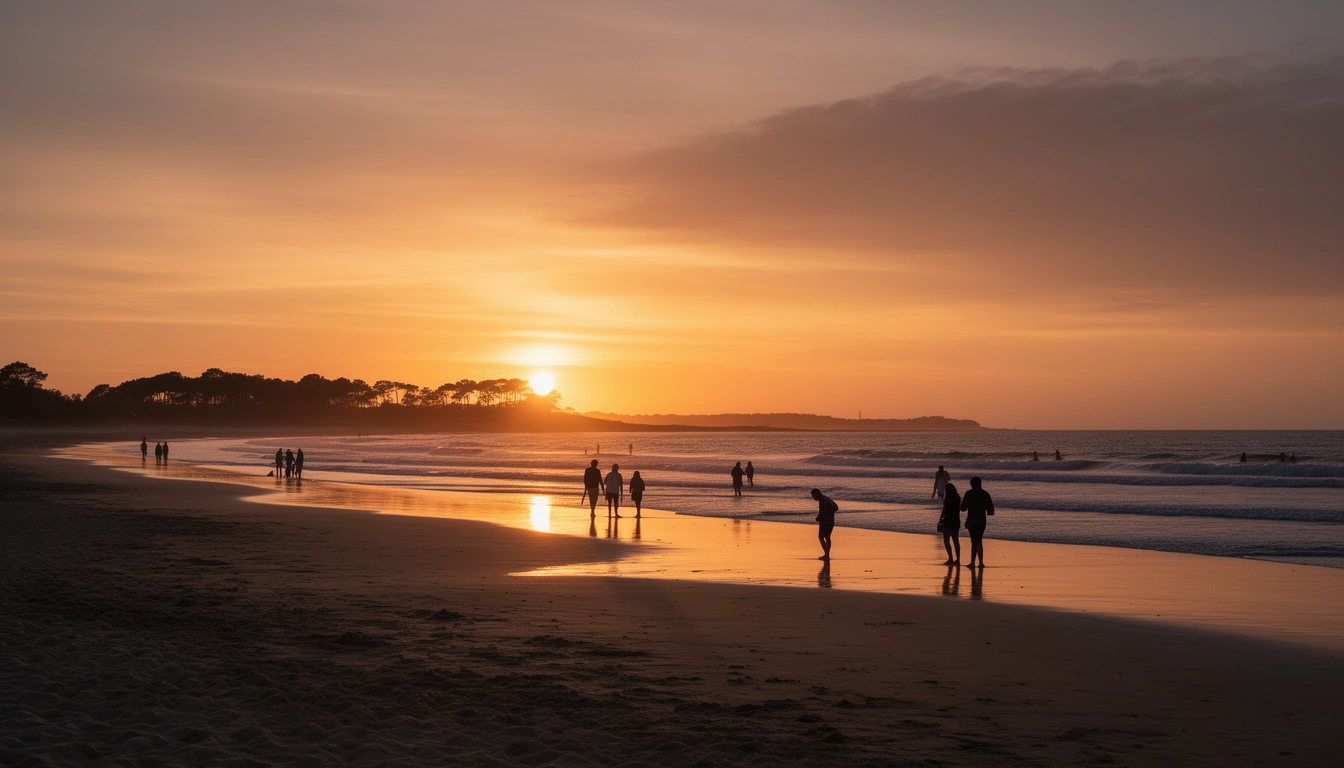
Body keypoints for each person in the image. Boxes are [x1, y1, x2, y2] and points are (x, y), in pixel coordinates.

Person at [961, 476, 995, 568]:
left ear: (972, 484)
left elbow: (963, 508)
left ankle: (973, 562)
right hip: (982, 521)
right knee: (979, 541)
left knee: (974, 541)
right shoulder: (985, 494)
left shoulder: (969, 493)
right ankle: (980, 563)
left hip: (972, 520)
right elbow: (991, 510)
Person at [811, 488, 838, 561]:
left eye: (813, 496)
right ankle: (827, 554)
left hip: (825, 522)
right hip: (830, 521)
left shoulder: (823, 500)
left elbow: (823, 511)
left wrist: (818, 518)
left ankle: (826, 554)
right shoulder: (825, 499)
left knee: (821, 537)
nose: (813, 498)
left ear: (816, 495)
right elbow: (835, 507)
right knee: (827, 537)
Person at [939, 481, 962, 565]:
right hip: (956, 520)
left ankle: (950, 558)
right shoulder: (958, 498)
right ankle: (958, 559)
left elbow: (944, 510)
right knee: (955, 540)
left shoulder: (947, 498)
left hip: (948, 520)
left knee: (946, 540)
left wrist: (940, 519)